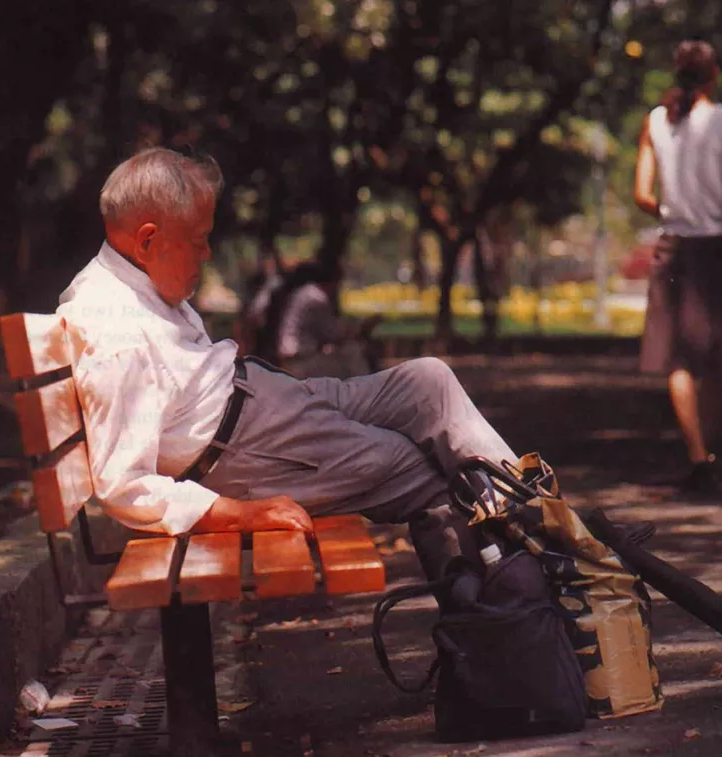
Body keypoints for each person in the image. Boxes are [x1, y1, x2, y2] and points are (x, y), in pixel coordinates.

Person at [55, 147, 517, 582]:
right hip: (248, 449)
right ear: (147, 240)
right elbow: (125, 486)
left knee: (428, 381)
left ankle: (533, 508)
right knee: (427, 474)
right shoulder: (114, 332)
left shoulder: (136, 284)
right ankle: (519, 594)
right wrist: (240, 514)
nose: (207, 253)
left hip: (266, 407)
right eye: (199, 240)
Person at [635, 40, 722, 491]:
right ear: (714, 74)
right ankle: (709, 450)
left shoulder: (655, 121)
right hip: (717, 245)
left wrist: (671, 209)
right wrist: (720, 209)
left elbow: (642, 194)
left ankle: (697, 454)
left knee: (677, 358)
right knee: (715, 357)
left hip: (673, 245)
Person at [263, 261, 382, 379]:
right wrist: (363, 328)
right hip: (299, 360)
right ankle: (366, 387)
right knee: (352, 352)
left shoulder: (305, 293)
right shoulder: (316, 299)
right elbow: (334, 335)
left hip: (295, 357)